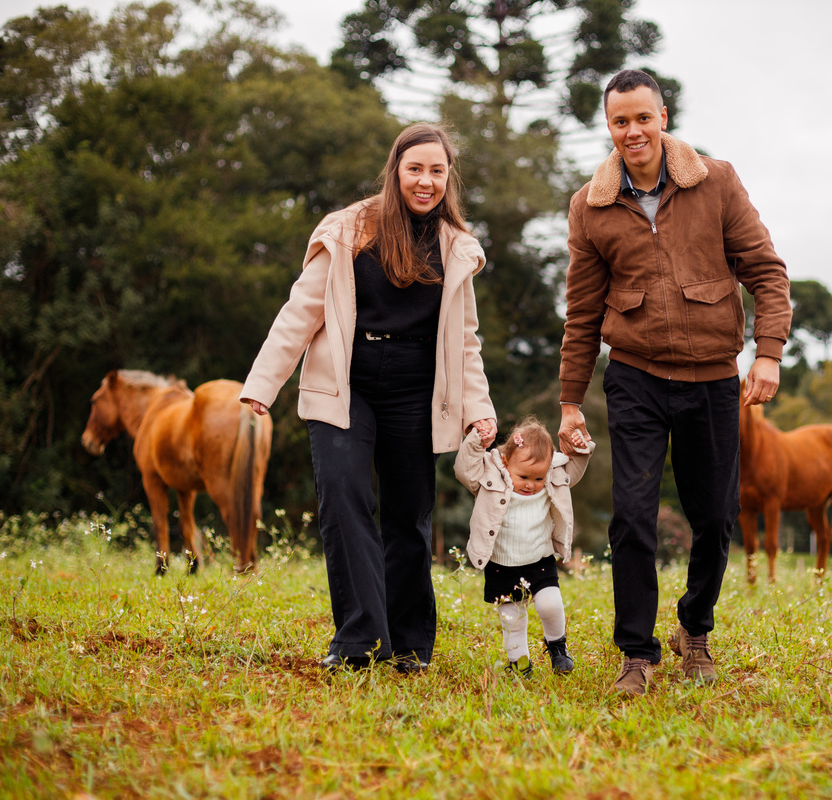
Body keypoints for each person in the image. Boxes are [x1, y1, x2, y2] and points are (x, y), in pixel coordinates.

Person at [557, 70, 792, 696]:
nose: (632, 131)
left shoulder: (717, 182)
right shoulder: (590, 206)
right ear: (608, 127)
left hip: (713, 377)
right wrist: (569, 401)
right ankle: (637, 652)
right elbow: (582, 311)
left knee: (715, 515)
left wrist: (766, 354)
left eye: (642, 117)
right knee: (631, 516)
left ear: (663, 115)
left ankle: (696, 628)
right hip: (633, 376)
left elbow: (766, 271)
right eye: (619, 121)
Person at [239, 122, 497, 674]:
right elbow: (300, 313)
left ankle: (407, 646)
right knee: (344, 499)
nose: (425, 181)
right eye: (415, 169)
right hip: (345, 383)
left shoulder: (455, 247)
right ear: (395, 171)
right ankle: (358, 641)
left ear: (448, 177)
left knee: (409, 516)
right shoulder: (348, 230)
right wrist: (263, 385)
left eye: (436, 170)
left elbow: (465, 341)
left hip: (415, 388)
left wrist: (479, 408)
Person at [455, 416, 594, 676]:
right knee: (512, 618)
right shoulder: (490, 476)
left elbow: (572, 471)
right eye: (524, 476)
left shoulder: (551, 478)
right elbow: (464, 471)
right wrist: (475, 442)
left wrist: (580, 448)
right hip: (501, 564)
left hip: (539, 559)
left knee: (550, 604)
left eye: (539, 478)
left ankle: (557, 647)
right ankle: (520, 664)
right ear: (506, 463)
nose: (531, 484)